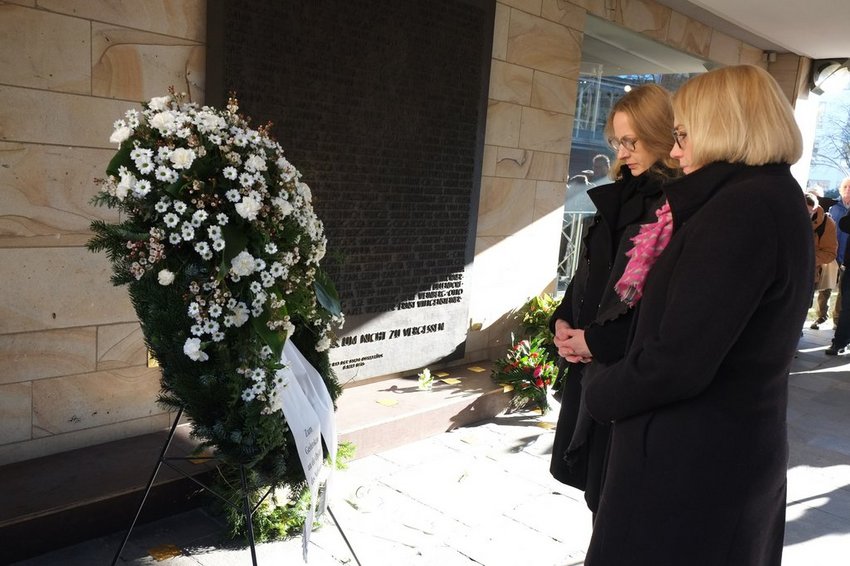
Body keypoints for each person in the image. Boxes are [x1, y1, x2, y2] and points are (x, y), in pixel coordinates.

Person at [580, 65, 812, 565]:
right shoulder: (766, 197)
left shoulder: (741, 210)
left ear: (725, 125)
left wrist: (600, 392)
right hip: (715, 455)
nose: (677, 150)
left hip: (689, 467)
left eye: (682, 135)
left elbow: (679, 359)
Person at [548, 83, 679, 515]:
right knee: (596, 494)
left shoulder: (675, 209)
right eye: (617, 142)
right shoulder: (619, 198)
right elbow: (590, 273)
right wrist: (563, 322)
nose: (622, 153)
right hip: (592, 367)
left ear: (661, 134)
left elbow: (664, 308)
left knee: (617, 498)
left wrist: (597, 343)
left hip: (627, 374)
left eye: (631, 141)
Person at [814, 176, 850, 328]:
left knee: (843, 289)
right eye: (847, 186)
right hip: (830, 253)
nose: (849, 190)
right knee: (825, 286)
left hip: (846, 254)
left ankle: (837, 320)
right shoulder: (833, 206)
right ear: (842, 188)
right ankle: (821, 316)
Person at [806, 192, 839, 315]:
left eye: (808, 213)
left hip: (809, 272)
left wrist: (810, 260)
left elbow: (830, 252)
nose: (803, 216)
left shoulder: (827, 223)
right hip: (785, 270)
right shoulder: (790, 215)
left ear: (815, 210)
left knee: (803, 306)